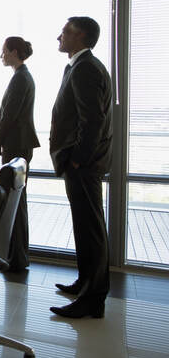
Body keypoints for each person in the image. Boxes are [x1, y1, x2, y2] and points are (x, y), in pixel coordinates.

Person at [49, 16, 112, 319]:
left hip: (83, 165)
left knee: (90, 230)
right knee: (85, 228)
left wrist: (77, 158)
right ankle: (86, 284)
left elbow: (93, 120)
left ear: (81, 36)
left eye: (64, 32)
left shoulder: (86, 67)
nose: (58, 37)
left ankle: (92, 299)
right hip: (81, 163)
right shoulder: (80, 65)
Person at [0, 36, 40, 272]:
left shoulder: (20, 79)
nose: (2, 56)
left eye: (4, 51)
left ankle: (17, 257)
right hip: (19, 143)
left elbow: (8, 115)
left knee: (14, 202)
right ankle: (18, 256)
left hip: (15, 144)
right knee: (18, 202)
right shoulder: (22, 76)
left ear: (13, 52)